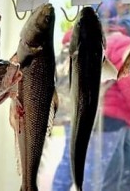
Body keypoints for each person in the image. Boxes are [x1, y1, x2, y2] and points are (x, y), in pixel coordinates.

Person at [81, 0, 130, 191]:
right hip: (114, 119)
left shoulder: (83, 41)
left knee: (95, 173)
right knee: (109, 177)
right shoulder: (120, 42)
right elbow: (129, 84)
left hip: (91, 116)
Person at [50, 29, 74, 191]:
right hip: (71, 113)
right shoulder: (69, 59)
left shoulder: (59, 58)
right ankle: (59, 188)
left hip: (65, 112)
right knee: (70, 155)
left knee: (70, 153)